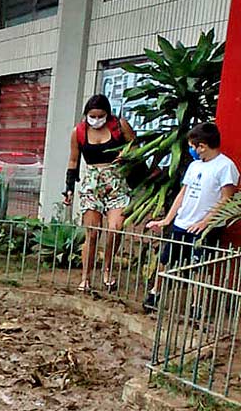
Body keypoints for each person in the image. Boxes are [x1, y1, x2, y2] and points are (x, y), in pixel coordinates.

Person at [144, 123, 238, 311]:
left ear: (202, 146)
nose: (192, 150)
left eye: (192, 146)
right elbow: (183, 193)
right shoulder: (194, 166)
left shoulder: (226, 167)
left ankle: (197, 305)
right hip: (182, 222)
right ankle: (155, 293)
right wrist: (167, 220)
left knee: (198, 266)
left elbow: (227, 199)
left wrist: (205, 222)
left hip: (205, 227)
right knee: (166, 259)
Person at [64, 94, 136, 292]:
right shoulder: (78, 131)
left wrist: (125, 155)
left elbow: (135, 146)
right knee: (92, 232)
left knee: (116, 228)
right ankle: (85, 277)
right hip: (92, 183)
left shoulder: (119, 126)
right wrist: (69, 186)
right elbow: (73, 160)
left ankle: (107, 269)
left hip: (116, 182)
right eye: (92, 116)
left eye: (100, 116)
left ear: (107, 114)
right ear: (86, 114)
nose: (96, 120)